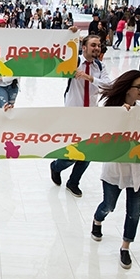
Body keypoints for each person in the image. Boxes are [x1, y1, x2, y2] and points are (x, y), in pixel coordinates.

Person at [90, 69, 140, 269]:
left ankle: (125, 247)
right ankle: (97, 220)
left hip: (139, 172)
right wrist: (119, 117)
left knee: (134, 212)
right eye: (139, 87)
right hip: (114, 171)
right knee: (109, 205)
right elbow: (100, 135)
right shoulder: (111, 111)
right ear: (127, 89)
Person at [50, 34, 110, 197]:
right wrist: (69, 34)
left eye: (98, 45)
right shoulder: (74, 62)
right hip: (73, 115)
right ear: (84, 47)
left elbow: (108, 85)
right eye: (93, 45)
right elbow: (57, 57)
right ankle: (56, 166)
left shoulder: (100, 66)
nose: (97, 48)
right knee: (72, 153)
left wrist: (90, 78)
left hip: (91, 115)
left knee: (88, 152)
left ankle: (73, 182)